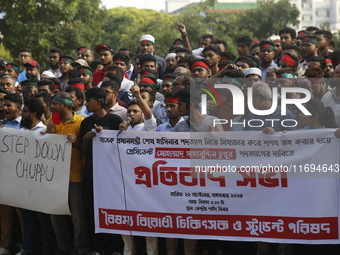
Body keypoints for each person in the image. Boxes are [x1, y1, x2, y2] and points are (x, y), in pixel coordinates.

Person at [47, 92, 90, 255]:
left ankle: (81, 248)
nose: (52, 107)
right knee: (56, 215)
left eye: (55, 104)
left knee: (77, 216)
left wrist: (77, 142)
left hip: (74, 175)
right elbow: (47, 148)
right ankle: (63, 247)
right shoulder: (53, 121)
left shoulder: (80, 122)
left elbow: (86, 148)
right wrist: (48, 134)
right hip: (56, 176)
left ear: (65, 105)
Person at [80, 87, 122, 254]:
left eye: (88, 101)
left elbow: (121, 149)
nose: (85, 104)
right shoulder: (85, 123)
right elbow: (83, 152)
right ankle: (95, 248)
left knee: (113, 210)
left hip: (111, 175)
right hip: (91, 172)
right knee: (92, 211)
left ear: (98, 102)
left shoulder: (114, 120)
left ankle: (116, 248)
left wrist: (105, 136)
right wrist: (85, 139)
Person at [19, 98, 56, 255]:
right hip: (23, 182)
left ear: (33, 113)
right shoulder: (19, 133)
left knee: (42, 218)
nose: (21, 114)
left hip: (41, 183)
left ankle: (47, 249)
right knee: (27, 218)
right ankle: (28, 248)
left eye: (24, 111)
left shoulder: (45, 132)